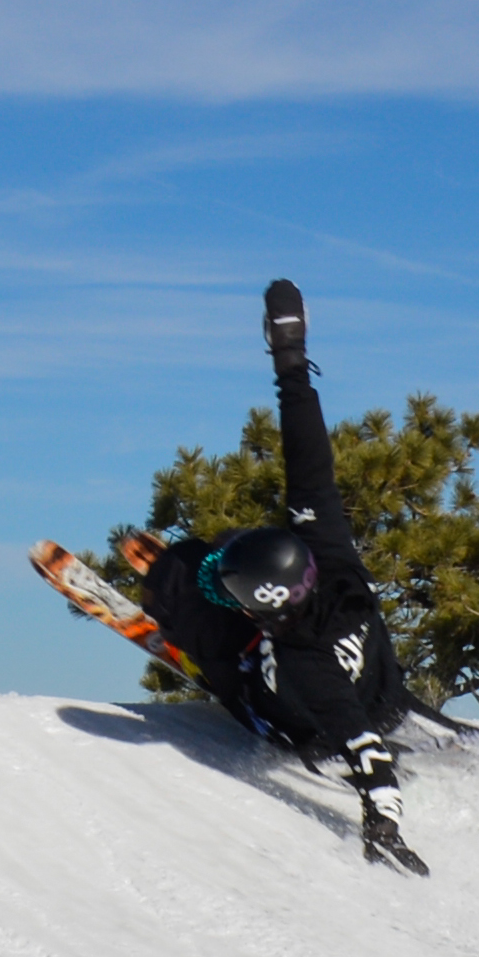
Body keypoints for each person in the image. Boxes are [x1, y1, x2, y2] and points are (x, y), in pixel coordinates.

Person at [139, 279, 422, 865]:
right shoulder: (330, 554)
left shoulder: (301, 661)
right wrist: (290, 360)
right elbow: (308, 461)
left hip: (299, 725)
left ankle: (209, 648)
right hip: (387, 694)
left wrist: (383, 822)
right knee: (217, 553)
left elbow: (365, 750)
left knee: (180, 578)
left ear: (264, 611)